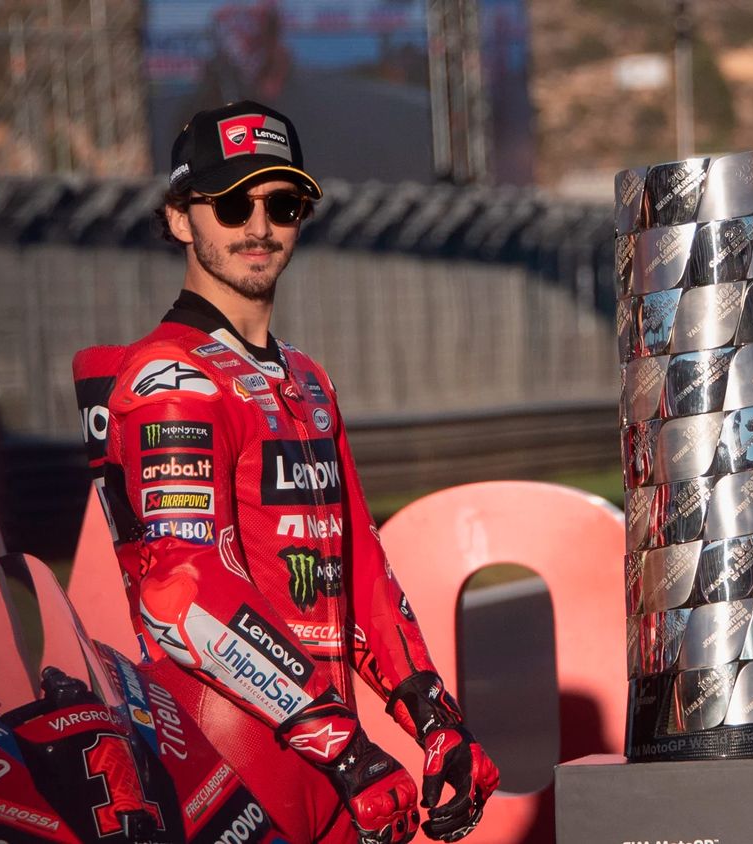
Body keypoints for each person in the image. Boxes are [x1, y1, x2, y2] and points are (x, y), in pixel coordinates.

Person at [77, 100, 498, 843]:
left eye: (283, 204)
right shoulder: (172, 379)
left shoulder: (307, 379)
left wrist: (437, 722)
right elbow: (182, 595)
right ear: (180, 218)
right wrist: (342, 743)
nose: (259, 226)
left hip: (332, 764)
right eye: (232, 204)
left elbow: (359, 568)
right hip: (225, 766)